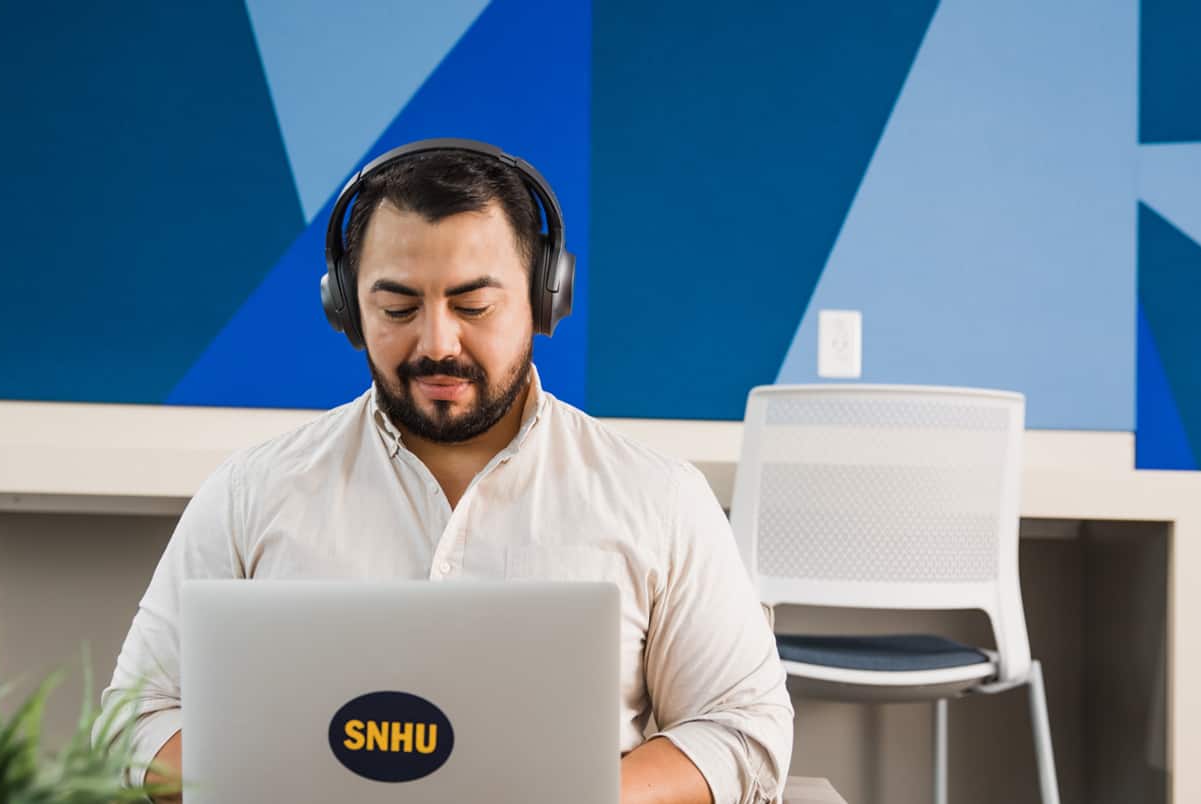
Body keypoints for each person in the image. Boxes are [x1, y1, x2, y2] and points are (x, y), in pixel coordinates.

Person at [104, 139, 793, 803]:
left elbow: (743, 728)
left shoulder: (660, 499)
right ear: (346, 308)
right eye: (398, 308)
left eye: (474, 307)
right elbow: (135, 719)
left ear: (545, 297)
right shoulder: (251, 492)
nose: (437, 343)